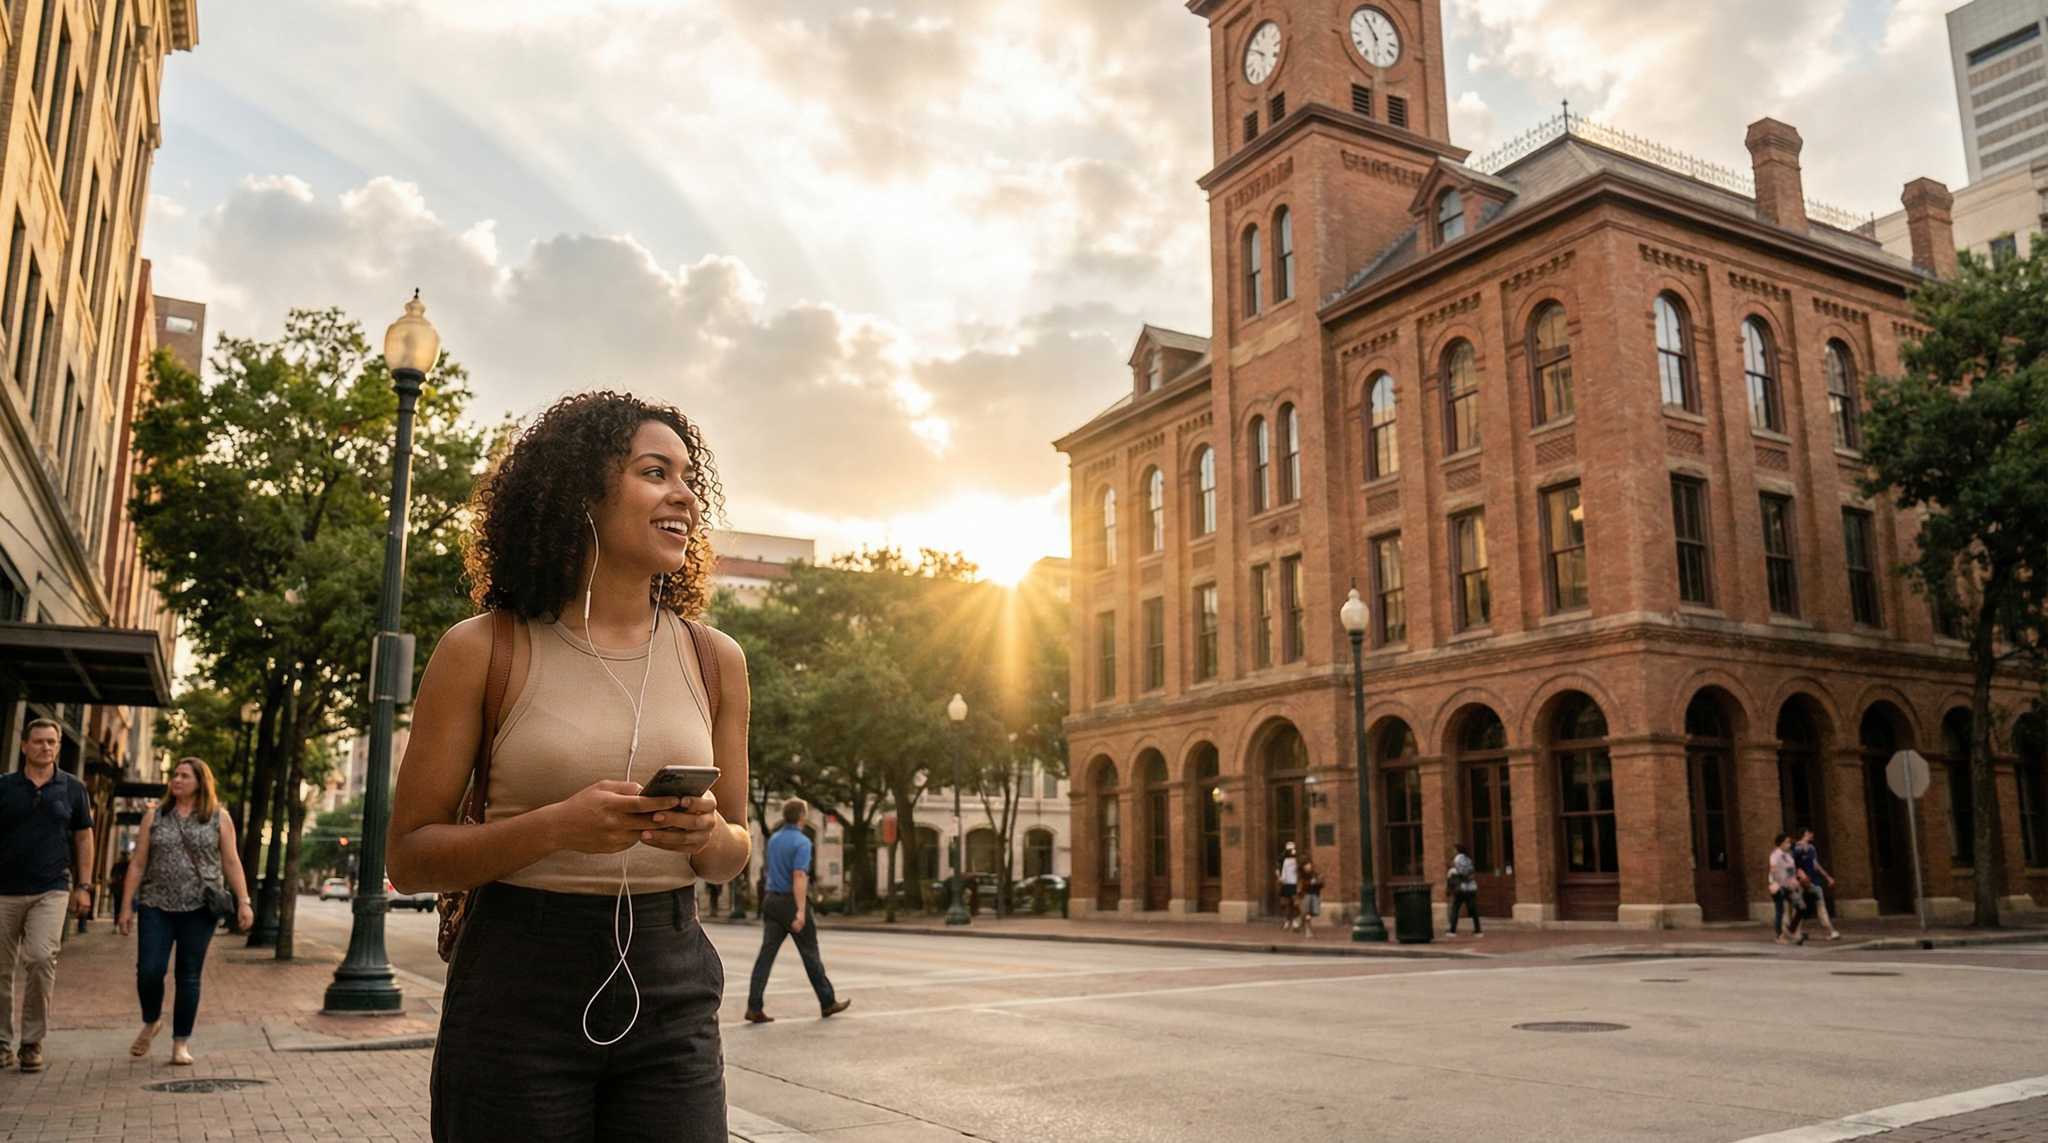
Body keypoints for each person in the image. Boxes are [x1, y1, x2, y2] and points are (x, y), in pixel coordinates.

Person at [387, 392, 753, 1142]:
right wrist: (559, 826)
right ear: (580, 490)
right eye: (656, 472)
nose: (684, 493)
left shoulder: (716, 660)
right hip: (517, 987)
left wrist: (703, 832)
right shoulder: (482, 647)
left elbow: (733, 852)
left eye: (689, 477)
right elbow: (411, 856)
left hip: (671, 982)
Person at [117, 758, 255, 1065]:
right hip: (155, 904)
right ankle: (152, 1020)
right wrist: (126, 906)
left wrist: (243, 901)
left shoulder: (219, 818)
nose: (176, 780)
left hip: (199, 908)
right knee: (150, 970)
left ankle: (181, 1042)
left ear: (200, 782)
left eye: (184, 776)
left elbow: (231, 862)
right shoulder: (155, 815)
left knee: (188, 975)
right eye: (174, 775)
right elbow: (138, 862)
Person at [0, 719, 95, 1074]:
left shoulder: (72, 788)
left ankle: (31, 1041)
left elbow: (84, 838)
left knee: (41, 959)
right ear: (24, 746)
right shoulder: (5, 788)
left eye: (52, 742)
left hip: (51, 888)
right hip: (4, 890)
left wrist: (84, 887)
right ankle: (1, 1041)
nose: (46, 747)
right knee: (0, 970)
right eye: (39, 741)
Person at [745, 799, 849, 1023]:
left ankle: (754, 1006)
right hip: (791, 902)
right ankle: (828, 1002)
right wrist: (801, 911)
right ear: (802, 816)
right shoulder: (802, 842)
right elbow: (799, 876)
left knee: (766, 956)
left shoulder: (774, 839)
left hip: (771, 901)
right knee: (810, 954)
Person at [1791, 828, 1841, 941]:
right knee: (1800, 907)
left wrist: (1828, 877)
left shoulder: (1811, 848)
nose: (1812, 835)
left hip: (1813, 881)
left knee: (1819, 906)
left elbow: (1815, 864)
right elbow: (1792, 865)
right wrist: (1799, 875)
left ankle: (1831, 931)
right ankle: (1796, 933)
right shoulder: (1796, 848)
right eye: (1810, 833)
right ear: (1806, 834)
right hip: (1800, 883)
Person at [1768, 834, 1807, 945]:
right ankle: (1779, 936)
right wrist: (1772, 883)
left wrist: (1795, 881)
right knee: (1780, 911)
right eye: (1786, 842)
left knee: (1801, 907)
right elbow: (1772, 870)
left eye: (1789, 842)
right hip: (1779, 887)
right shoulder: (1775, 855)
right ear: (1780, 843)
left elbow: (1791, 871)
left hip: (1789, 887)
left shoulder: (1788, 856)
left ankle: (1791, 930)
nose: (1789, 844)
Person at [1445, 842, 1482, 938]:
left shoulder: (1458, 859)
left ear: (1457, 850)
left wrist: (1453, 872)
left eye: (1454, 850)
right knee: (1474, 910)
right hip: (1471, 888)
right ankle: (1478, 930)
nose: (1453, 852)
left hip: (1462, 888)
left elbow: (1462, 872)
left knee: (1455, 909)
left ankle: (1452, 930)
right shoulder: (1468, 859)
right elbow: (1471, 871)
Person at [1296, 860, 1323, 938]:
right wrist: (1310, 883)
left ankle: (1298, 922)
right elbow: (1301, 886)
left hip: (1314, 895)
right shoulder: (1302, 875)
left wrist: (1319, 882)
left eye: (1309, 865)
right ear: (1303, 867)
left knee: (1313, 913)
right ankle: (1308, 932)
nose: (1308, 866)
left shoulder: (1314, 874)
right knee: (1307, 914)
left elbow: (1320, 884)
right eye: (1307, 865)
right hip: (1306, 895)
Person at [1277, 842, 1300, 930]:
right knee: (1285, 904)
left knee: (1295, 904)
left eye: (1293, 849)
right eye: (1290, 850)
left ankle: (1295, 921)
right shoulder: (1283, 860)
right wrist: (1280, 879)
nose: (1292, 851)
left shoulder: (1298, 860)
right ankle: (1287, 921)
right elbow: (1282, 872)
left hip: (1294, 884)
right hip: (1286, 884)